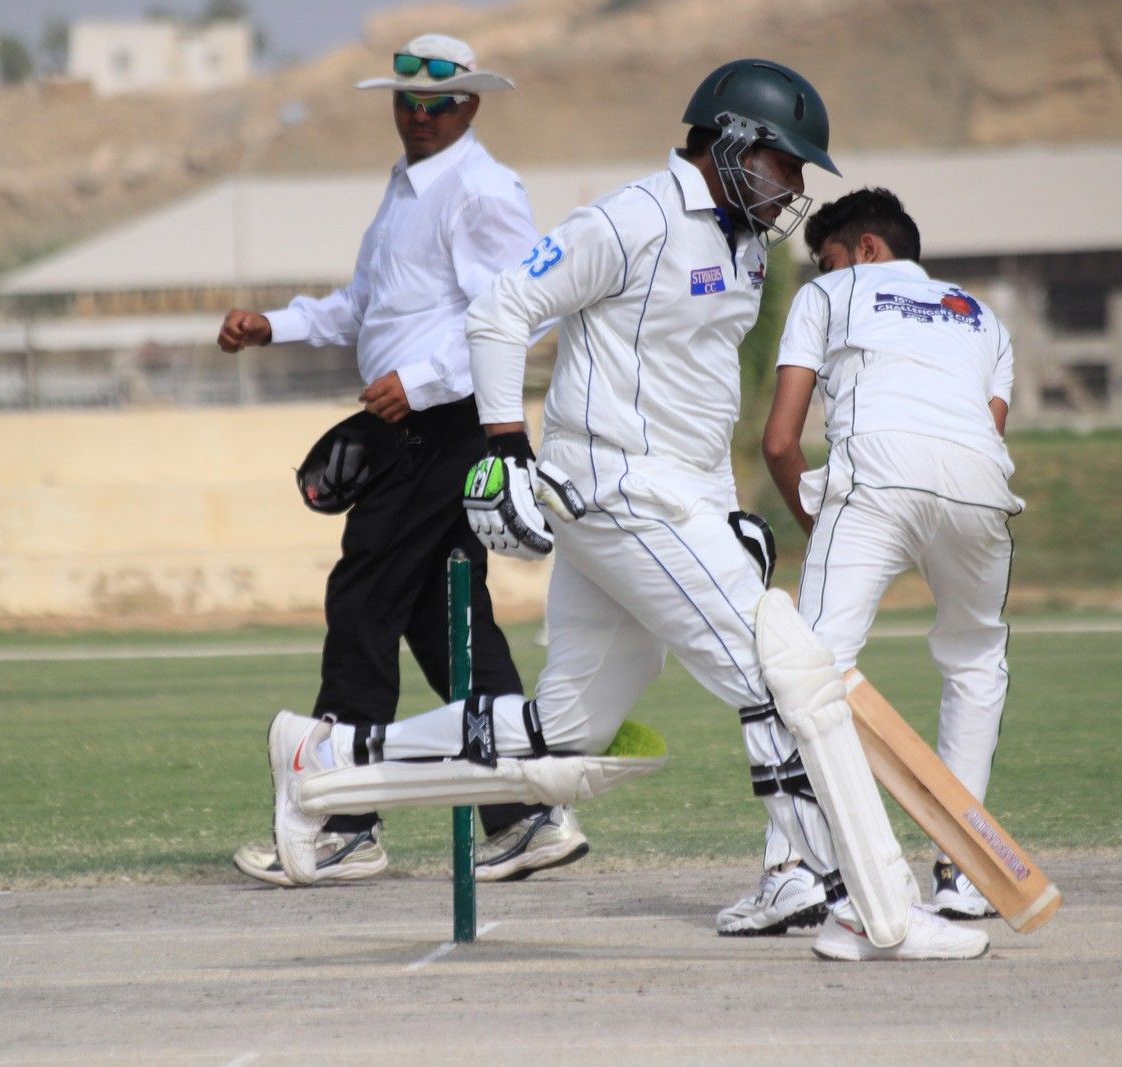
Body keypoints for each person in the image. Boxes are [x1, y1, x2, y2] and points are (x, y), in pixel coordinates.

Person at [262, 60, 989, 961]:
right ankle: (866, 908)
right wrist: (506, 451)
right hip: (615, 493)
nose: (794, 186)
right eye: (786, 163)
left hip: (677, 499)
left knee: (565, 729)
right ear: (731, 142)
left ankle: (325, 759)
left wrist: (727, 512)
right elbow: (501, 310)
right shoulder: (630, 218)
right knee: (783, 675)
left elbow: (702, 396)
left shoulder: (745, 244)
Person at [218, 33, 587, 886]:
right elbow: (367, 307)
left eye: (439, 105)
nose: (421, 117)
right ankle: (528, 812)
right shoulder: (407, 186)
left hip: (440, 427)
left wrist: (420, 383)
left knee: (361, 604)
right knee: (448, 623)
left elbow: (523, 311)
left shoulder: (481, 190)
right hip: (413, 428)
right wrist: (274, 325)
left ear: (471, 105)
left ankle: (342, 822)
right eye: (407, 103)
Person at [718, 187, 1022, 932]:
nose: (822, 272)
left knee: (808, 668)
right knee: (976, 662)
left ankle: (795, 871)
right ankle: (963, 872)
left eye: (827, 258)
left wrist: (821, 526)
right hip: (982, 488)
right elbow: (981, 435)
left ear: (865, 249)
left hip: (875, 477)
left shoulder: (829, 294)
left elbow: (780, 442)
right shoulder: (982, 317)